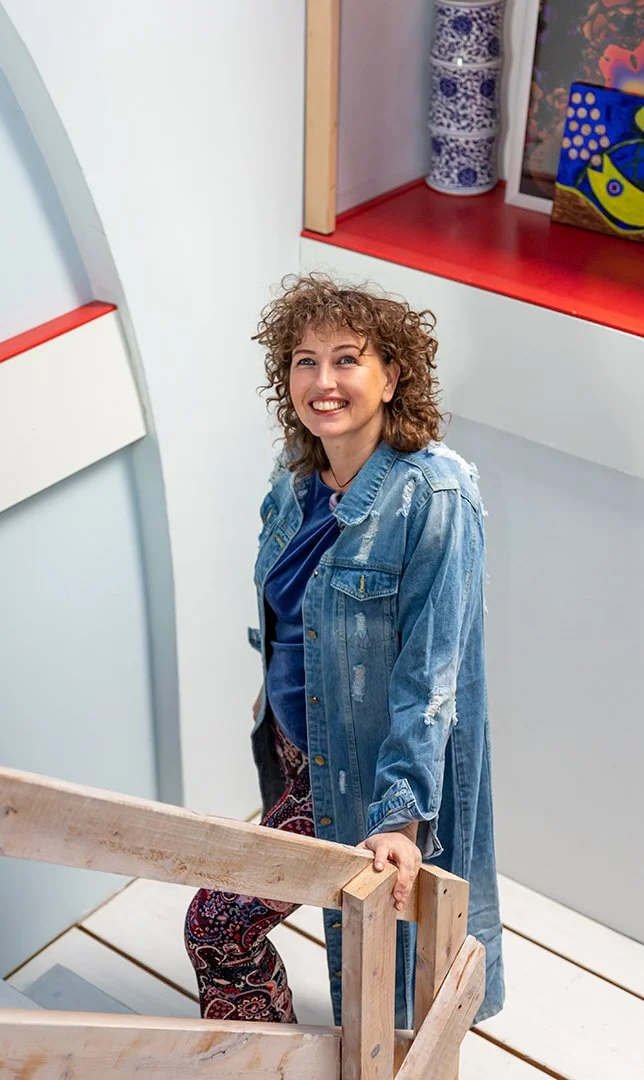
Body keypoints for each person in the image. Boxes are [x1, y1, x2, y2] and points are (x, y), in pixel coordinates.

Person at [184, 275, 504, 1029]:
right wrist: (278, 702)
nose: (322, 381)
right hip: (300, 759)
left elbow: (431, 679)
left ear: (392, 375)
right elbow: (289, 616)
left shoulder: (435, 498)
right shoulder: (294, 482)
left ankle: (257, 1064)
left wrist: (397, 819)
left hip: (365, 780)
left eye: (346, 359)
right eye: (303, 360)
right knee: (285, 944)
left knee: (219, 926)